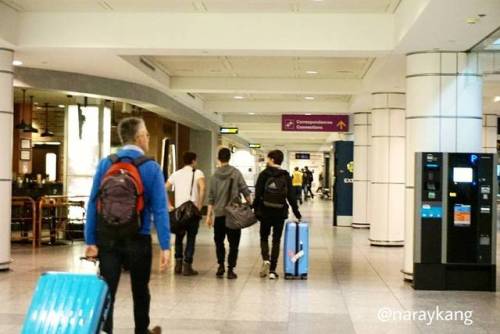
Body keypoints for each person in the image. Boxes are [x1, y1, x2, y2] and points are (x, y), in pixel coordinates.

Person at [85, 117, 170, 334]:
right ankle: (141, 331)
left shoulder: (107, 163)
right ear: (139, 137)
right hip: (138, 237)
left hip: (108, 237)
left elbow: (94, 201)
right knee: (140, 290)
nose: (148, 139)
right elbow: (160, 209)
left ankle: (106, 330)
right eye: (147, 135)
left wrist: (90, 241)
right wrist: (165, 245)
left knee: (108, 291)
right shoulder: (151, 167)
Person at [254, 150, 302, 280]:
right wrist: (297, 212)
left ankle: (266, 259)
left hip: (265, 211)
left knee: (264, 237)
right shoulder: (285, 175)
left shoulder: (264, 174)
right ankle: (273, 271)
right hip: (280, 212)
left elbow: (258, 194)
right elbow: (291, 196)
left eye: (268, 158)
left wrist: (254, 209)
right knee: (276, 240)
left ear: (272, 160)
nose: (267, 160)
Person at [205, 147, 251, 279]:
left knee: (219, 241)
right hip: (233, 215)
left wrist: (208, 216)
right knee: (234, 243)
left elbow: (211, 198)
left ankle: (220, 266)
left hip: (219, 215)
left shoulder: (214, 176)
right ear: (229, 158)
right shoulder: (236, 173)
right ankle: (231, 269)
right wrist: (249, 204)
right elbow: (245, 191)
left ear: (218, 159)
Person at [166, 151, 206, 276]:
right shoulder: (198, 173)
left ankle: (178, 264)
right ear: (193, 161)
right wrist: (199, 205)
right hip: (192, 211)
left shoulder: (175, 174)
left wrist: (169, 205)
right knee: (191, 238)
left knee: (179, 237)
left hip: (179, 212)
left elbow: (163, 188)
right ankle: (187, 266)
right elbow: (203, 188)